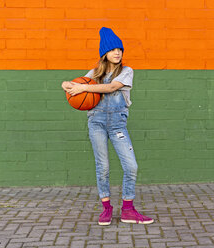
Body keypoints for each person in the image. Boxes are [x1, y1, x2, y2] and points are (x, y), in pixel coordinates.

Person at [61, 27, 154, 226]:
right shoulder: (94, 73)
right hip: (97, 123)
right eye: (113, 49)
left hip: (117, 125)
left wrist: (84, 87)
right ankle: (106, 209)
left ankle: (128, 209)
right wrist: (66, 85)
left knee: (131, 166)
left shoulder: (127, 72)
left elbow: (111, 87)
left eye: (120, 49)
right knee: (102, 167)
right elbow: (74, 86)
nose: (117, 52)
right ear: (105, 53)